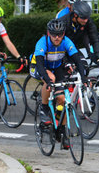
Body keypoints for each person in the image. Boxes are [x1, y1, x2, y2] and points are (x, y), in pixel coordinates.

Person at [31, 19, 88, 149]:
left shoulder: (66, 41)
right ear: (48, 33)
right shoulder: (42, 42)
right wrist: (48, 80)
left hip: (56, 67)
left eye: (60, 34)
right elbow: (39, 64)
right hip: (38, 67)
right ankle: (44, 108)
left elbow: (77, 60)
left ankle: (61, 131)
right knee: (50, 78)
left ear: (63, 34)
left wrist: (84, 77)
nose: (57, 38)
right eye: (53, 34)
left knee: (62, 100)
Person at [58, 0, 99, 68]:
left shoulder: (87, 22)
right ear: (75, 15)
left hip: (74, 48)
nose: (86, 20)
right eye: (83, 18)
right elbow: (57, 43)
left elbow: (94, 40)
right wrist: (66, 61)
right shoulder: (63, 22)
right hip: (60, 50)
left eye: (87, 17)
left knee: (84, 66)